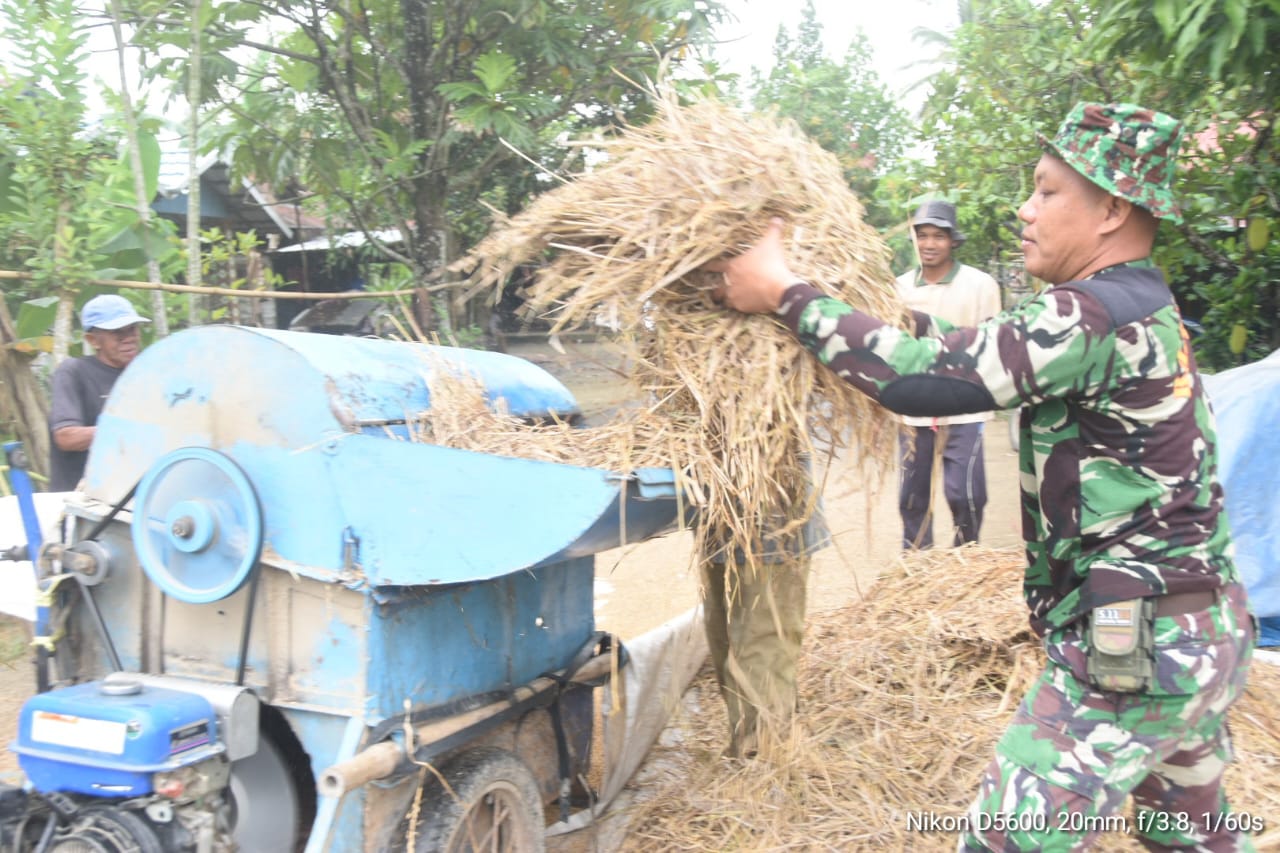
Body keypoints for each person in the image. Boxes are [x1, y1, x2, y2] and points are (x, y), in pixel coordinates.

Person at [708, 103, 1255, 850]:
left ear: (1112, 210)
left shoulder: (1089, 313)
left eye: (1046, 191)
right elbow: (968, 347)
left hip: (1137, 648)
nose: (1024, 209)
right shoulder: (1141, 306)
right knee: (1193, 841)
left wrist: (784, 292)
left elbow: (923, 380)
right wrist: (864, 304)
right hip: (1206, 633)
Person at [896, 200, 1001, 549]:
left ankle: (966, 556)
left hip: (964, 401)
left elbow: (992, 341)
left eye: (938, 236)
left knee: (965, 493)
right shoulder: (899, 289)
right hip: (915, 404)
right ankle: (917, 563)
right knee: (912, 496)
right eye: (922, 235)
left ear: (953, 240)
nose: (929, 244)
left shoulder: (981, 285)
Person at [48, 294, 150, 492]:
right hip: (81, 502)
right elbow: (66, 437)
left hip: (132, 499)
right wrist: (128, 430)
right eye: (118, 333)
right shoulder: (74, 372)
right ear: (93, 340)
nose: (129, 338)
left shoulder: (144, 375)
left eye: (133, 329)